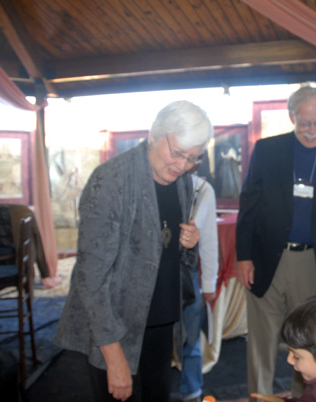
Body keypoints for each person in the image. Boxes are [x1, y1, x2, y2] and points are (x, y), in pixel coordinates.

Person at [54, 100, 213, 402]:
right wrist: (114, 359)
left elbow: (166, 250)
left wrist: (187, 245)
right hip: (116, 329)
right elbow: (91, 279)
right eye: (177, 153)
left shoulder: (180, 180)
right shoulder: (111, 180)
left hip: (159, 323)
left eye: (193, 158)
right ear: (153, 135)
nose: (182, 165)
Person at [236, 83, 316, 400]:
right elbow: (249, 206)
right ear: (291, 117)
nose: (312, 130)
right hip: (265, 258)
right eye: (305, 123)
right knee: (262, 340)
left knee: (307, 343)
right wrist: (243, 256)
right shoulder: (267, 150)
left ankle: (303, 399)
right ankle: (260, 397)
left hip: (311, 262)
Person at [180, 175, 219, 402]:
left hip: (189, 272)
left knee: (191, 338)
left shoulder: (202, 189)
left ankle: (192, 392)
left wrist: (208, 284)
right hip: (154, 276)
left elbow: (209, 240)